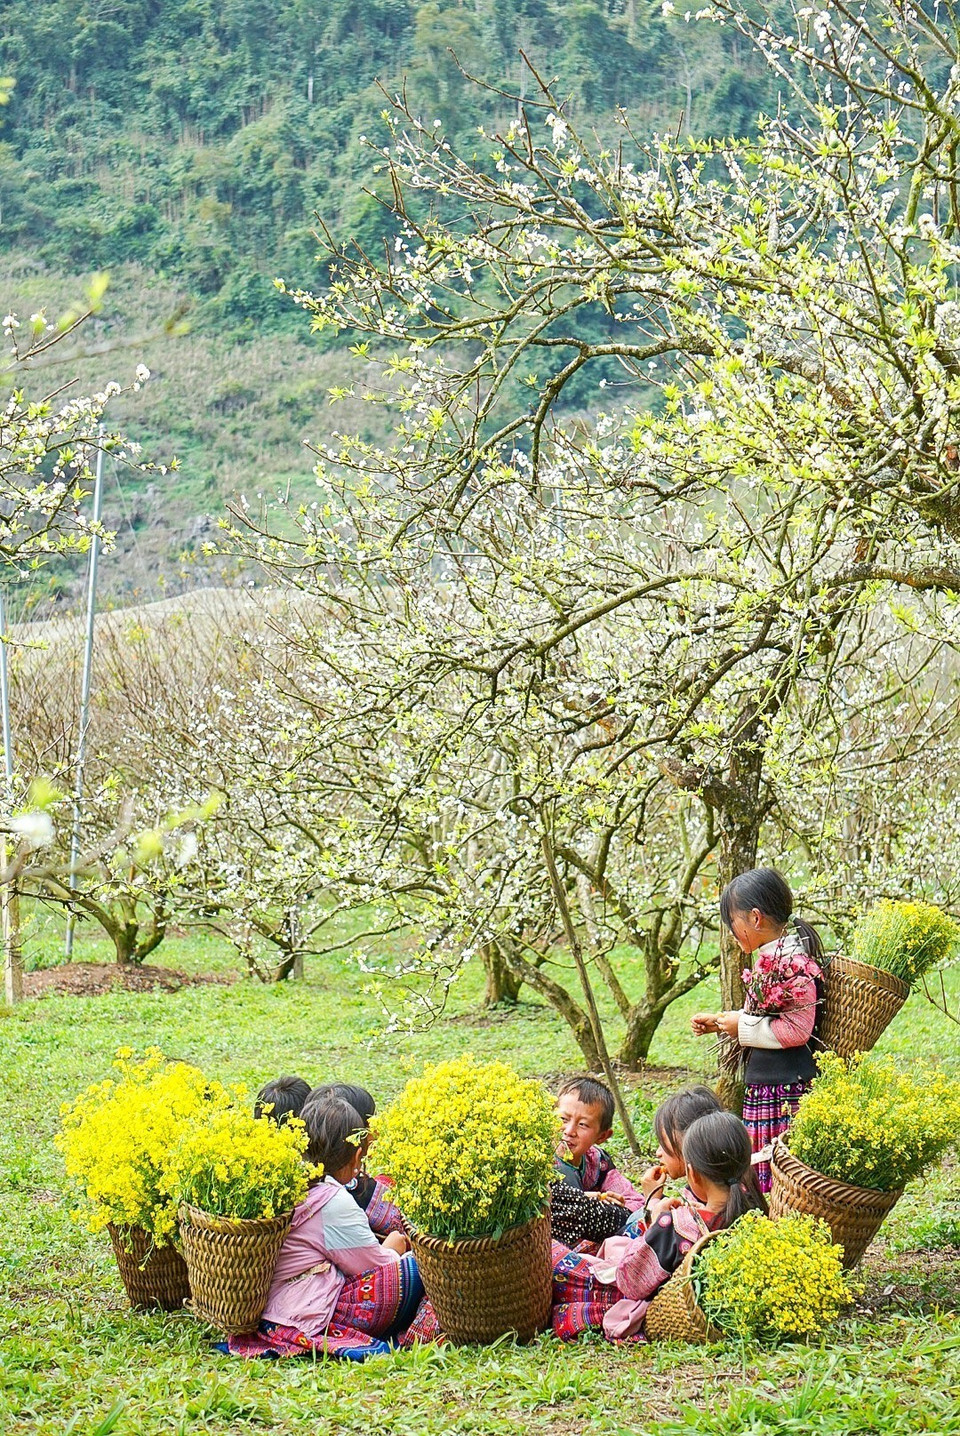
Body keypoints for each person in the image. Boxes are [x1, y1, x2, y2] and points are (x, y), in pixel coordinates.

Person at [225, 1095, 430, 1361]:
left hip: (268, 1303)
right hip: (298, 1312)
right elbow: (373, 1268)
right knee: (418, 1267)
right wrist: (394, 1248)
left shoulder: (282, 1179)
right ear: (357, 1155)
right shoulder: (333, 1202)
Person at [552, 1110, 766, 1341]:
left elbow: (630, 1281)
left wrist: (655, 1219)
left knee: (552, 1255)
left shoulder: (676, 1226)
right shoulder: (752, 1207)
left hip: (643, 1301)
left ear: (692, 1172)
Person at [690, 867, 825, 1193]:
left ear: (755, 918)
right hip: (768, 1090)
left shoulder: (794, 964)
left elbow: (796, 1029)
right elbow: (770, 1014)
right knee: (763, 1175)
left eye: (732, 923)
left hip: (784, 1094)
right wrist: (724, 1023)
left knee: (782, 1179)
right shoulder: (773, 961)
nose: (730, 933)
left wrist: (742, 1026)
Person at [621, 1084, 724, 1236]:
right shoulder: (725, 1186)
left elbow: (652, 1244)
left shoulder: (699, 1210)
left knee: (634, 1220)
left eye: (663, 1143)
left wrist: (652, 1201)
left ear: (690, 1143)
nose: (658, 1153)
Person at [308, 1081, 406, 1237]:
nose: (376, 1127)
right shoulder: (359, 1187)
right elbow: (404, 1224)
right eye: (371, 1121)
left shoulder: (305, 1180)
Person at [554, 1075, 643, 1211]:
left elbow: (635, 1201)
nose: (569, 1131)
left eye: (583, 1124)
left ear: (602, 1136)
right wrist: (581, 1199)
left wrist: (615, 1204)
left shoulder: (597, 1162)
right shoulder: (533, 1162)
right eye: (563, 1119)